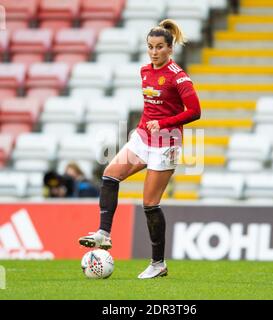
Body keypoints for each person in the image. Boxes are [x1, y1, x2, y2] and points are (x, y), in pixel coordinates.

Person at [79, 19, 201, 279]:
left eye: (159, 47)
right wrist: (142, 128)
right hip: (143, 138)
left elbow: (195, 111)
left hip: (166, 143)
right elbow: (151, 107)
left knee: (149, 204)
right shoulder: (145, 71)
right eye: (150, 47)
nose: (154, 52)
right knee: (110, 174)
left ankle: (158, 264)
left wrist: (164, 123)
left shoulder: (179, 77)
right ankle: (104, 233)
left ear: (170, 49)